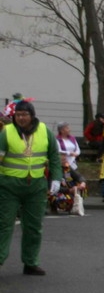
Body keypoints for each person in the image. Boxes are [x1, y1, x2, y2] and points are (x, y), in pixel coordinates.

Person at [0, 99, 62, 275]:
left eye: (24, 114)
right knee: (4, 225)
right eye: (18, 115)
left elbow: (54, 156)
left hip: (35, 186)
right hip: (9, 186)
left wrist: (56, 178)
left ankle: (30, 262)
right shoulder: (6, 132)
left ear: (32, 115)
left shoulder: (44, 131)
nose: (21, 118)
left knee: (34, 227)